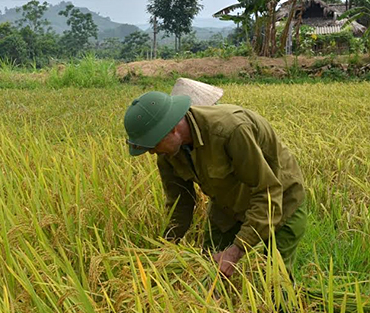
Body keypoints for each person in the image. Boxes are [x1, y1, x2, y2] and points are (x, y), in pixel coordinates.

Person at [124, 91, 307, 277]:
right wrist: (165, 248)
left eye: (153, 146)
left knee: (275, 279)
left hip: (280, 200)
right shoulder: (168, 154)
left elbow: (268, 191)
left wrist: (236, 251)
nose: (152, 153)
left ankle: (282, 305)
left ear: (172, 129)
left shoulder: (231, 130)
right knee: (209, 270)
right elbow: (180, 203)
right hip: (227, 204)